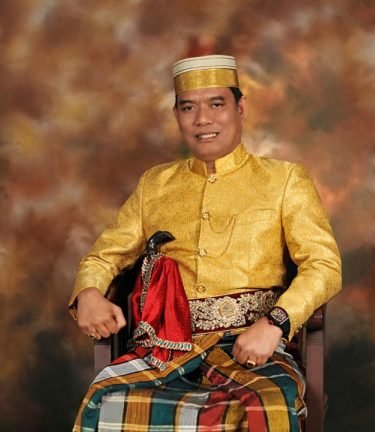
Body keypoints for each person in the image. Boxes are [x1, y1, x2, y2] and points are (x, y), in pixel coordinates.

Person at [69, 54, 342, 432]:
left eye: (216, 104)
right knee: (105, 400)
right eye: (188, 108)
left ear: (240, 108)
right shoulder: (154, 185)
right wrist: (88, 292)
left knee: (268, 409)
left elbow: (324, 265)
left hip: (253, 347)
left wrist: (275, 323)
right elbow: (104, 257)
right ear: (177, 115)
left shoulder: (285, 180)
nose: (202, 119)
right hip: (166, 349)